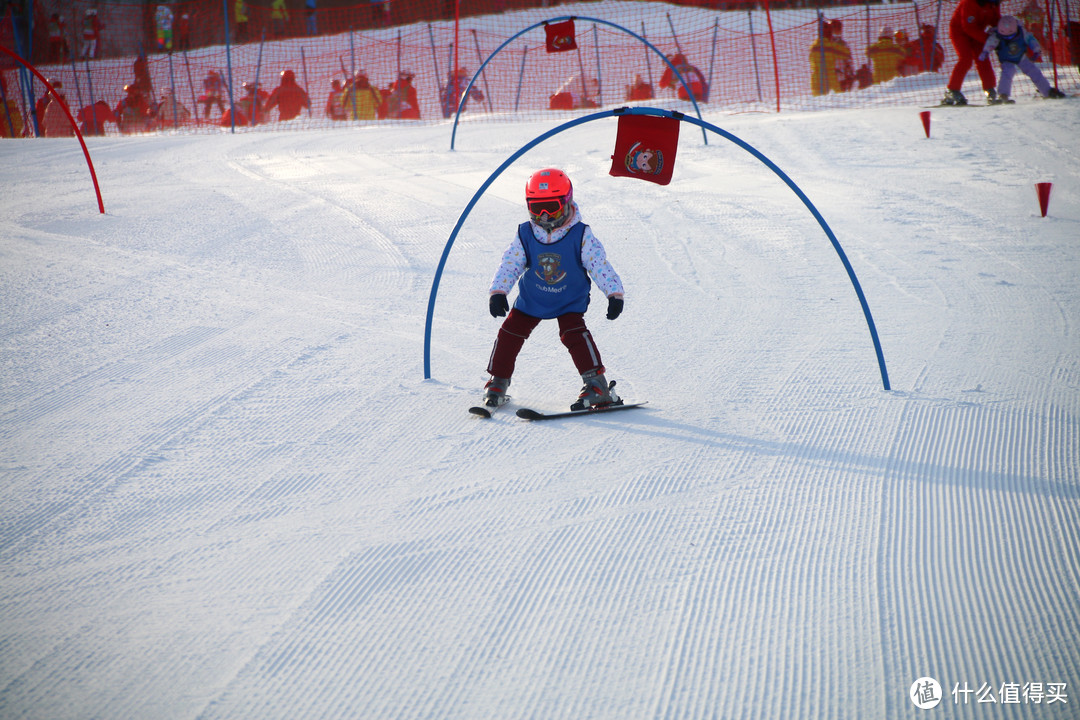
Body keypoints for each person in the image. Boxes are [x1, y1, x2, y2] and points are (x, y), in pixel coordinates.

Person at [481, 168, 626, 412]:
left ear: (567, 201)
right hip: (533, 298)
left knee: (574, 334)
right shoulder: (526, 233)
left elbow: (599, 264)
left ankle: (596, 385)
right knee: (509, 333)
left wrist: (614, 293)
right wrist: (498, 291)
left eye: (552, 207)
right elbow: (511, 262)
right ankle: (498, 381)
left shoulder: (581, 235)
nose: (545, 216)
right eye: (537, 209)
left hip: (569, 299)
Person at [980, 15, 1067, 102]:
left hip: (1021, 57)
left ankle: (1047, 91)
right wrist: (985, 51)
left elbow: (1031, 40)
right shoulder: (996, 35)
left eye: (1011, 36)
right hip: (1006, 59)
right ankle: (1003, 95)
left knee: (1034, 71)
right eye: (1005, 37)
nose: (1008, 38)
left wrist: (1036, 50)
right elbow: (991, 43)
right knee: (1007, 73)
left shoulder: (1022, 33)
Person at [943, 0, 1001, 106]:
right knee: (966, 59)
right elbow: (968, 27)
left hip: (977, 30)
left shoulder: (993, 4)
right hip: (960, 32)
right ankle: (952, 90)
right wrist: (987, 39)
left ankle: (990, 89)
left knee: (983, 59)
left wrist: (1004, 32)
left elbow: (996, 21)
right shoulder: (969, 3)